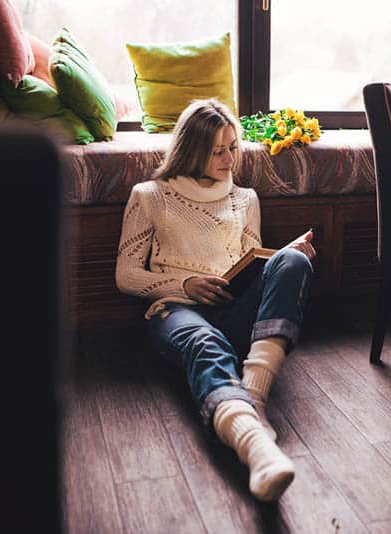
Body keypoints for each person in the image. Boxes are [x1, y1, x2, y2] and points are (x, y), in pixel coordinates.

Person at [115, 98, 315, 502]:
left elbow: (250, 258)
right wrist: (185, 284)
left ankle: (253, 396)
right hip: (176, 311)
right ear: (191, 149)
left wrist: (279, 260)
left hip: (236, 309)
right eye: (217, 150)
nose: (228, 159)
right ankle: (255, 450)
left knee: (292, 259)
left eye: (233, 147)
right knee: (206, 344)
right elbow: (126, 275)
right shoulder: (150, 196)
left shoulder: (246, 199)